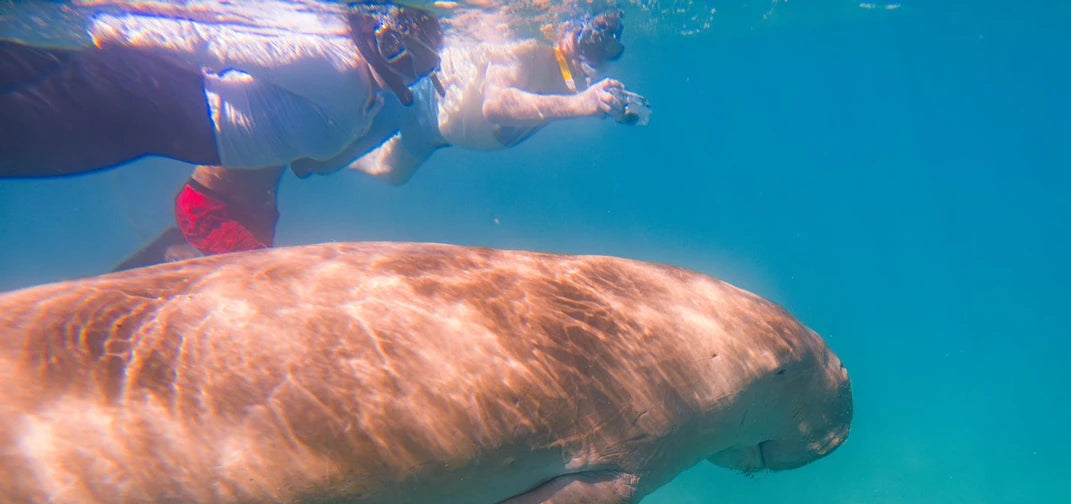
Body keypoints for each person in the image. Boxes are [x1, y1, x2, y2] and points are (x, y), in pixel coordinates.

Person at [111, 8, 644, 265]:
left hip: (426, 132)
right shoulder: (522, 52)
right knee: (260, 259)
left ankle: (139, 276)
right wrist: (580, 105)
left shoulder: (325, 109)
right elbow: (496, 104)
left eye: (605, 55)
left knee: (361, 168)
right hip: (420, 117)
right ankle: (143, 279)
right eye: (591, 45)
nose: (592, 61)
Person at [0, 2, 443, 177]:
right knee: (21, 137)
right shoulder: (355, 86)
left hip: (161, 103)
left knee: (24, 122)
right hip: (163, 106)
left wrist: (118, 28)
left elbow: (218, 45)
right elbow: (219, 46)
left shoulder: (343, 73)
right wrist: (120, 30)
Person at [351, 8, 641, 184]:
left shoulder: (573, 74)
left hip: (438, 132)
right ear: (568, 30)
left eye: (610, 48)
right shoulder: (528, 48)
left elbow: (566, 97)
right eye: (592, 39)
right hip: (419, 100)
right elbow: (496, 105)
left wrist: (610, 107)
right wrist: (580, 104)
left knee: (389, 174)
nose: (597, 55)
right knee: (330, 154)